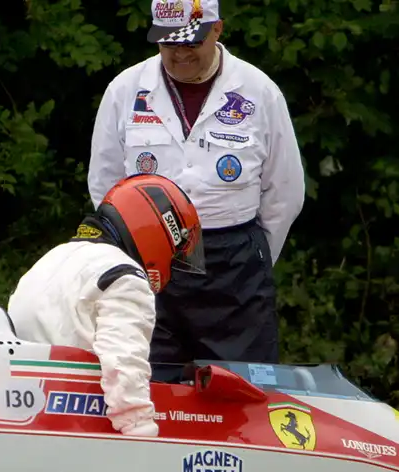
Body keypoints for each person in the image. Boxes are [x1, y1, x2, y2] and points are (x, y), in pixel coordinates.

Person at [87, 0, 305, 373]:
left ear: (217, 30)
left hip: (235, 267)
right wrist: (131, 251)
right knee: (149, 387)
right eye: (169, 44)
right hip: (149, 262)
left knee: (244, 394)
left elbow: (284, 191)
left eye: (191, 43)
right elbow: (104, 184)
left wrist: (254, 257)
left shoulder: (259, 92)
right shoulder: (125, 91)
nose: (180, 55)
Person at [7, 173, 205, 437]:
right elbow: (125, 364)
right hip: (74, 425)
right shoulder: (124, 277)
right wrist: (141, 432)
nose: (172, 261)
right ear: (159, 230)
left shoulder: (51, 260)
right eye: (175, 252)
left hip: (22, 413)